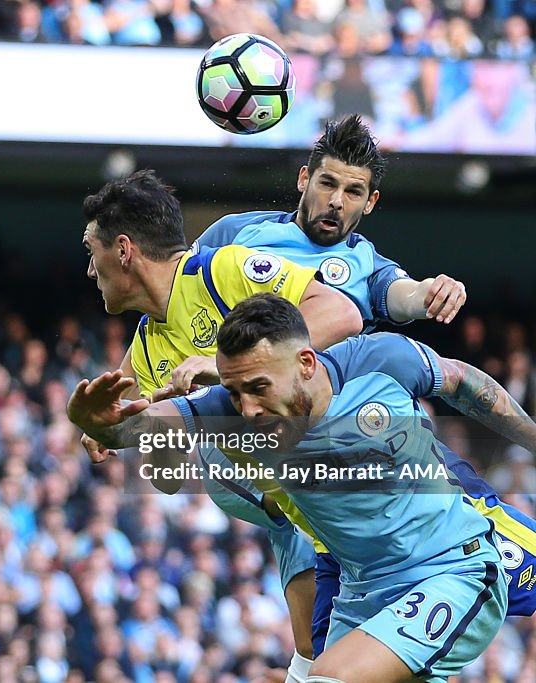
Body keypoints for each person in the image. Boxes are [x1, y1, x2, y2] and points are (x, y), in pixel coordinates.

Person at [67, 293, 523, 683]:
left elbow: (462, 381)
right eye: (235, 390)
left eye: (259, 387)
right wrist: (102, 426)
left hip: (452, 573)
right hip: (362, 597)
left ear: (306, 363)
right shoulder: (228, 411)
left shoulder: (379, 361)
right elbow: (150, 427)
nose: (246, 408)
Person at [80, 167, 364, 677]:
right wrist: (127, 433)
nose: (88, 268)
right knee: (317, 645)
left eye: (90, 249)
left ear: (123, 249)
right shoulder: (145, 353)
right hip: (281, 500)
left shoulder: (221, 271)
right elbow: (167, 482)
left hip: (330, 461)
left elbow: (341, 314)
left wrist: (227, 367)